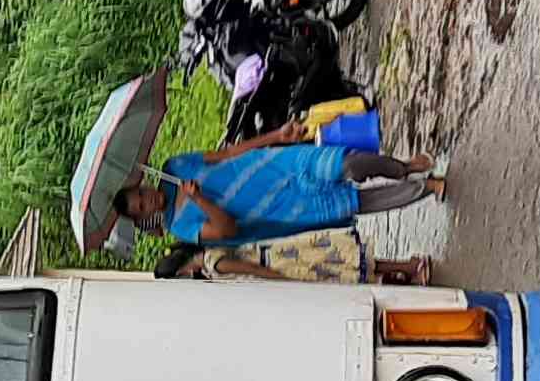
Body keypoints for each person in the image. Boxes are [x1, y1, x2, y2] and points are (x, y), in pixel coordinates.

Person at [115, 116, 444, 247]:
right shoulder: (180, 226)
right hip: (281, 208)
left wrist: (276, 136)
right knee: (359, 202)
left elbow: (227, 154)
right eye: (142, 207)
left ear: (143, 183)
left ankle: (403, 167)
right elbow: (227, 230)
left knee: (348, 164)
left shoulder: (175, 166)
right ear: (144, 216)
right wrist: (199, 200)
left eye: (142, 193)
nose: (148, 200)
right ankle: (425, 188)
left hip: (273, 166)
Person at [154, 232, 434, 286]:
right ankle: (406, 271)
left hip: (283, 264)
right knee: (345, 263)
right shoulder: (208, 253)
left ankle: (410, 267)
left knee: (346, 263)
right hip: (280, 254)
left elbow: (253, 270)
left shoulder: (214, 265)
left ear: (181, 271)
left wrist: (283, 281)